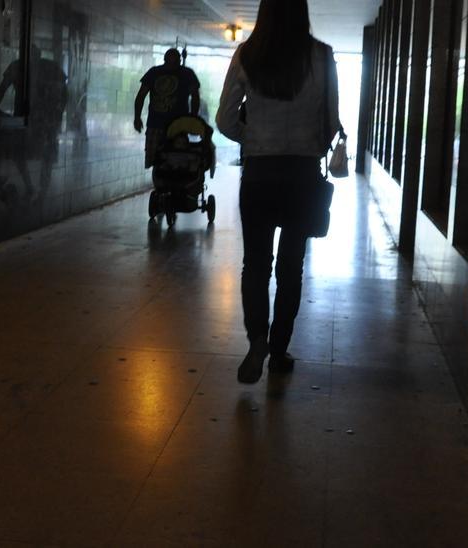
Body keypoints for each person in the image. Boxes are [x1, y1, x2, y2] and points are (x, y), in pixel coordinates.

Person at [215, 0, 341, 384]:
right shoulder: (322, 56)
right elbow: (330, 122)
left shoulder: (247, 55)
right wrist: (310, 146)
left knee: (255, 264)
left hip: (259, 175)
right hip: (302, 175)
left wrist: (251, 138)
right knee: (291, 266)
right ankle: (280, 348)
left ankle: (257, 341)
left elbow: (224, 119)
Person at [134, 49, 201, 168]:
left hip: (169, 125)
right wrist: (193, 117)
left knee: (166, 159)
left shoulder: (155, 72)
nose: (172, 65)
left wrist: (137, 117)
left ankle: (163, 180)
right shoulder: (185, 73)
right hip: (172, 125)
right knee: (174, 158)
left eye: (174, 62)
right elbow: (195, 97)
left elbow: (141, 96)